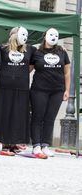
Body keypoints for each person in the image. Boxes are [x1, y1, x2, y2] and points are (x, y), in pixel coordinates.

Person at [0, 27, 36, 155]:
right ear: (12, 35)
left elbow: (33, 63)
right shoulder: (2, 49)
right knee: (5, 114)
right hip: (4, 87)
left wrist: (61, 49)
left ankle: (14, 142)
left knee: (18, 115)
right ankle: (4, 143)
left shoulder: (30, 49)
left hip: (22, 88)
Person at [30, 28, 70, 157]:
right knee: (37, 117)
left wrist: (67, 90)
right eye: (50, 34)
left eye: (55, 35)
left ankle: (45, 145)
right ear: (45, 36)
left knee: (50, 118)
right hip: (39, 90)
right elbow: (27, 70)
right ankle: (36, 145)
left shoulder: (62, 52)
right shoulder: (36, 52)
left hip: (57, 90)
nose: (53, 37)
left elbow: (67, 72)